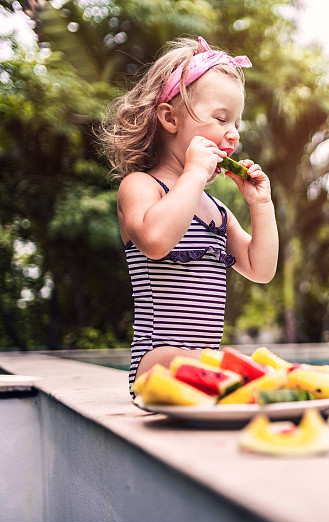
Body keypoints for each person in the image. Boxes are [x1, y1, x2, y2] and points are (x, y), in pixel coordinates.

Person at [100, 36, 278, 395]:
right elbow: (155, 241)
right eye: (221, 118)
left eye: (237, 123)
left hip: (205, 364)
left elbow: (261, 269)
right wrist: (194, 173)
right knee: (247, 375)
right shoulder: (140, 186)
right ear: (170, 118)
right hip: (156, 363)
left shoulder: (218, 213)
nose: (233, 134)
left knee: (260, 372)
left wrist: (261, 205)